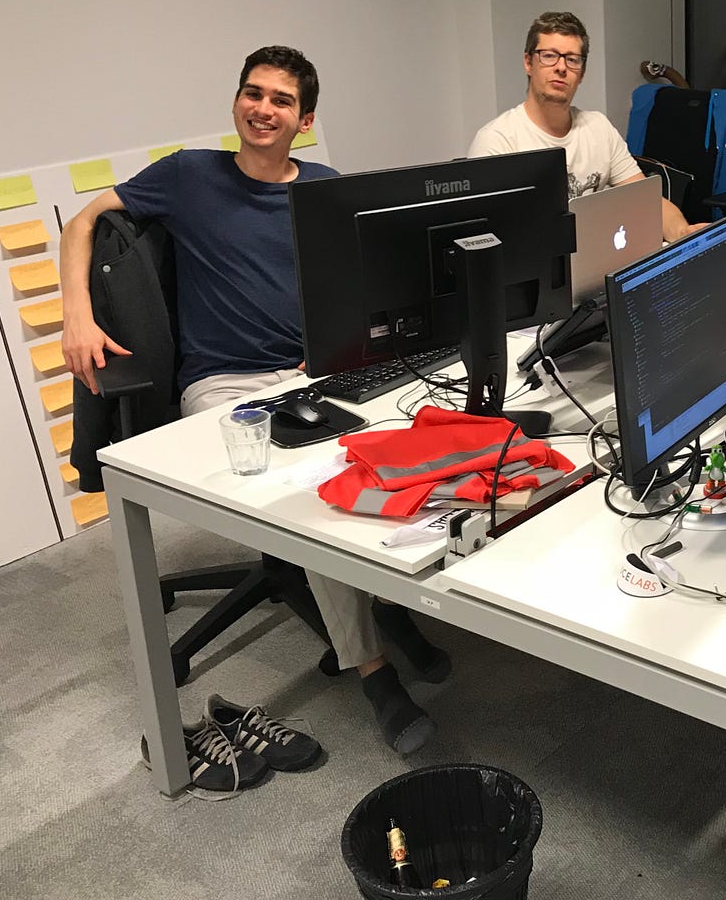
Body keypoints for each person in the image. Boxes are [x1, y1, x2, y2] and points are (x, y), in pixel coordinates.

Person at [61, 46, 446, 757]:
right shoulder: (188, 175)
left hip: (310, 375)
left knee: (402, 446)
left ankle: (386, 605)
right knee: (312, 501)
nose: (263, 109)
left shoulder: (325, 189)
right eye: (253, 93)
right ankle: (375, 672)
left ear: (305, 121)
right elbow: (83, 221)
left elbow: (363, 281)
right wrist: (77, 316)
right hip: (226, 388)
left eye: (281, 101)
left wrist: (338, 347)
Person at [469, 11, 704, 242]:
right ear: (528, 63)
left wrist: (682, 232)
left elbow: (647, 200)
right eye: (549, 56)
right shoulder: (497, 141)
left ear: (581, 74)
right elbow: (490, 239)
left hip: (599, 256)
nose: (561, 67)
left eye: (572, 60)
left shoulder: (598, 127)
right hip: (538, 263)